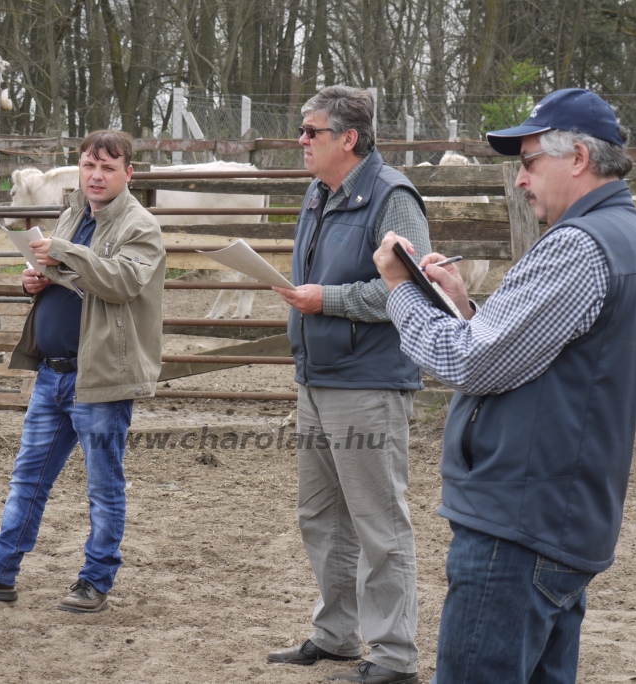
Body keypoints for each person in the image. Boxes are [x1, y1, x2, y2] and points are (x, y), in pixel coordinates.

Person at [373, 88, 636, 683]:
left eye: (529, 162)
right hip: (556, 516)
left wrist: (400, 290)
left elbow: (468, 366)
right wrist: (460, 306)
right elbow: (532, 357)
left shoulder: (579, 247)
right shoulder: (621, 237)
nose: (521, 180)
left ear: (577, 158)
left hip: (520, 524)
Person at [0, 130, 165, 613]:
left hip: (101, 378)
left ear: (129, 173)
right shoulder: (72, 213)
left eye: (107, 166)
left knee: (103, 486)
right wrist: (33, 280)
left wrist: (65, 254)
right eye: (89, 165)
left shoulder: (140, 226)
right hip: (54, 374)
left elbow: (122, 281)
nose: (96, 175)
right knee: (28, 478)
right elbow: (64, 277)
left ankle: (94, 580)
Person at [268, 86, 431, 684]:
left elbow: (410, 291)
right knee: (321, 516)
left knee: (379, 524)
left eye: (311, 132)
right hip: (316, 378)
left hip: (368, 385)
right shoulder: (318, 193)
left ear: (348, 138)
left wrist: (324, 300)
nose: (302, 141)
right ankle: (337, 634)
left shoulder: (393, 199)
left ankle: (393, 655)